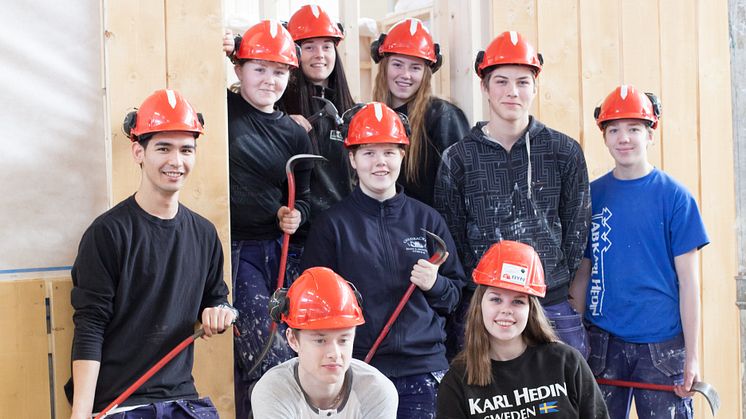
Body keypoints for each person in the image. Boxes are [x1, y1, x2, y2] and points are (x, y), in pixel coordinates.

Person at [67, 89, 238, 419]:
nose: (176, 161)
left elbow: (217, 297)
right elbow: (89, 327)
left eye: (186, 150)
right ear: (138, 152)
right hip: (120, 403)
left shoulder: (204, 234)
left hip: (180, 400)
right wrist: (81, 415)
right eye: (163, 148)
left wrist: (221, 310)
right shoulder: (107, 234)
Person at [300, 102, 466, 419]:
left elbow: (454, 297)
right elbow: (314, 306)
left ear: (402, 155)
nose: (380, 163)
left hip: (423, 373)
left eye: (390, 152)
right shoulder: (332, 226)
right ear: (352, 158)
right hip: (359, 372)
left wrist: (436, 284)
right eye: (369, 153)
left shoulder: (427, 220)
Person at [434, 31, 591, 358]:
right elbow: (453, 235)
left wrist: (552, 278)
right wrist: (484, 290)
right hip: (485, 309)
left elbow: (576, 230)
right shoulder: (458, 158)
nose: (512, 92)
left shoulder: (563, 151)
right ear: (484, 87)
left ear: (535, 86)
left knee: (564, 404)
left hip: (551, 304)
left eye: (522, 81)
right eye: (501, 81)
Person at [568, 85, 709, 419]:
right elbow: (583, 274)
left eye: (634, 129)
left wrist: (693, 357)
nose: (624, 138)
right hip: (603, 343)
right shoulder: (592, 196)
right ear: (604, 136)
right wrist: (572, 340)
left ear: (650, 135)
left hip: (661, 347)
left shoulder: (675, 197)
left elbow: (689, 284)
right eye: (614, 129)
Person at [225, 20, 313, 418]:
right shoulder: (223, 110)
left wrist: (297, 214)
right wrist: (217, 47)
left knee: (290, 347)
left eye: (279, 72)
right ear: (238, 68)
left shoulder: (295, 134)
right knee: (264, 355)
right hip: (237, 250)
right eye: (259, 68)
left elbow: (306, 196)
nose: (269, 80)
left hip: (279, 252)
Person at [437, 240, 609, 419]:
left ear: (531, 309)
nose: (506, 310)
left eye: (518, 301)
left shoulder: (566, 362)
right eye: (496, 299)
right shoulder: (457, 381)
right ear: (479, 305)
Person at [251, 266, 398, 418]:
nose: (334, 354)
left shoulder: (376, 391)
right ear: (293, 339)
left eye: (344, 340)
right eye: (320, 340)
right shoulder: (273, 391)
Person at [282, 4, 358, 281]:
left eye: (327, 46)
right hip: (298, 240)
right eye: (309, 46)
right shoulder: (279, 111)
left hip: (343, 237)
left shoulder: (350, 111)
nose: (319, 55)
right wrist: (280, 124)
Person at [371, 17, 470, 207]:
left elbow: (460, 188)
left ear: (426, 73)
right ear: (384, 66)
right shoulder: (374, 116)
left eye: (415, 67)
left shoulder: (443, 116)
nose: (405, 75)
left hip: (430, 229)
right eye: (397, 64)